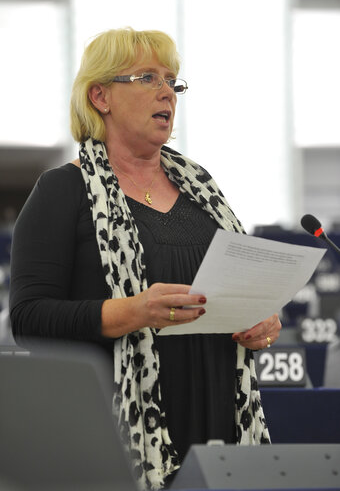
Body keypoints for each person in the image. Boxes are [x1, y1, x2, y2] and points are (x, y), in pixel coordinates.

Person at [9, 28, 282, 490]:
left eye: (173, 81)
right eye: (148, 78)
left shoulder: (203, 192)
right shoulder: (62, 191)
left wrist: (262, 321)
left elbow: (238, 291)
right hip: (114, 436)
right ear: (100, 96)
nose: (166, 93)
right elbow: (29, 318)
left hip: (220, 423)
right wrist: (134, 312)